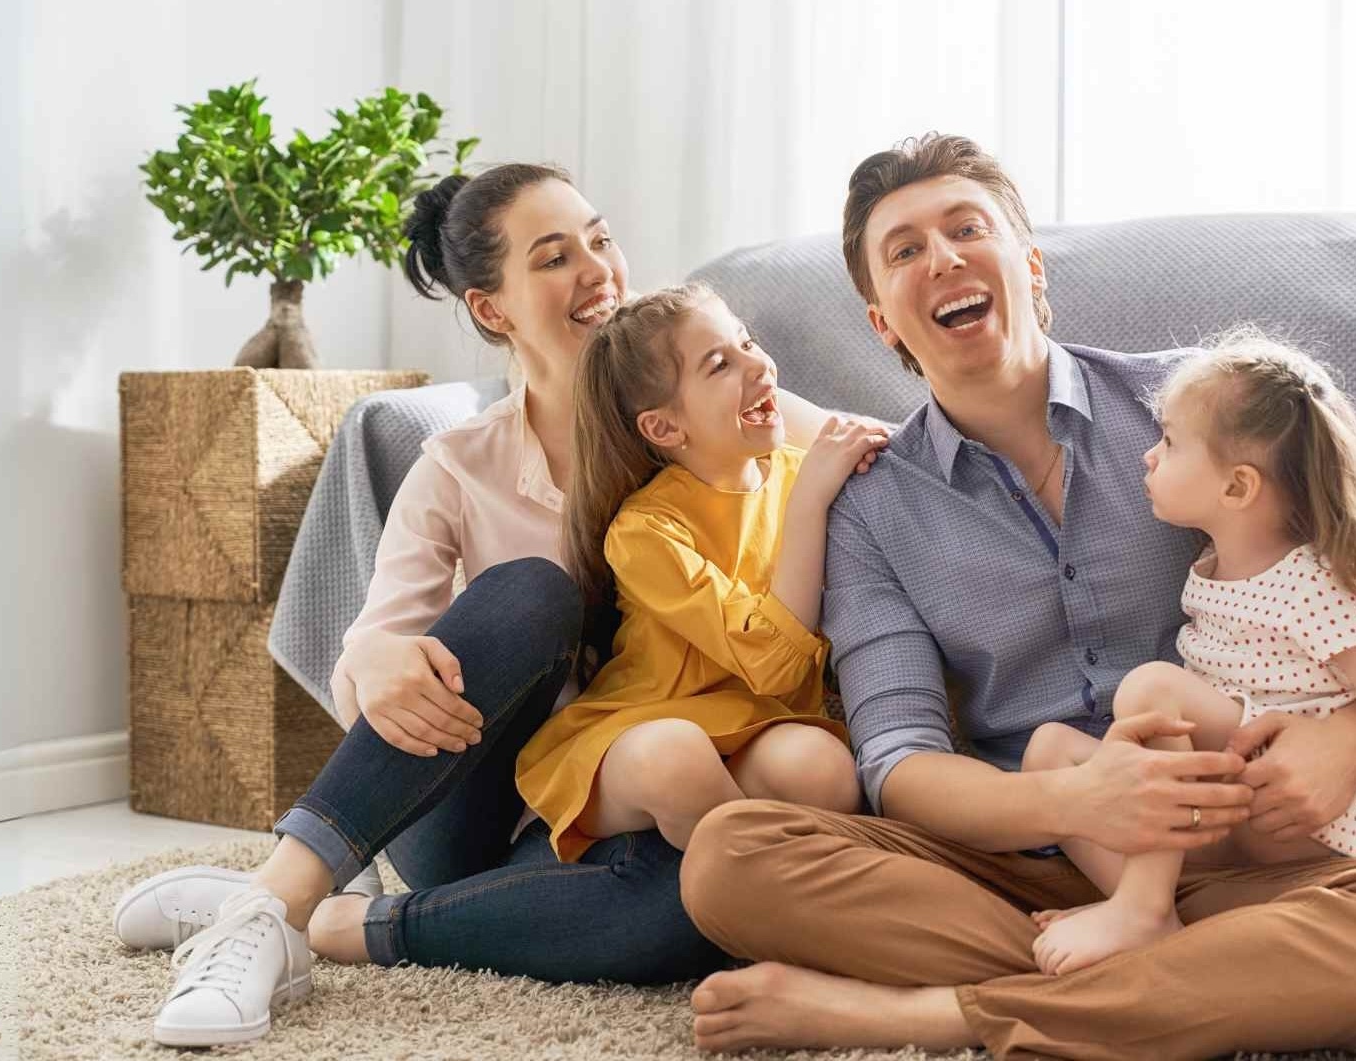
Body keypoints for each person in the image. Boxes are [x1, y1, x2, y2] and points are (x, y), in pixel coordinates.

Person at [109, 163, 870, 1048]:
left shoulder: (712, 412)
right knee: (530, 594)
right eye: (553, 258)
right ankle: (271, 906)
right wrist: (378, 658)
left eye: (599, 238)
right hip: (477, 810)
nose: (596, 270)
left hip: (638, 805)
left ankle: (338, 920)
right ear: (492, 309)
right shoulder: (459, 465)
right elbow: (370, 673)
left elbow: (852, 452)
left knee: (694, 913)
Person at [676, 133, 1356, 1060]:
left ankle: (946, 1013)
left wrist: (1343, 737)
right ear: (882, 321)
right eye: (905, 250)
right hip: (1022, 866)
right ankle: (1188, 980)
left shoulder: (1197, 403)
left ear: (1029, 268)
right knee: (729, 858)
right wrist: (1078, 804)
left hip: (1272, 846)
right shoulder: (872, 508)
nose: (943, 257)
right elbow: (900, 763)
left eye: (966, 228)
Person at [1021, 329, 1356, 975]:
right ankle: (1151, 913)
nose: (1148, 457)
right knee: (1050, 756)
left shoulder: (1311, 580)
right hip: (1232, 807)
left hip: (1310, 814)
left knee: (1153, 689)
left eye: (1170, 442)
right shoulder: (1211, 566)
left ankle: (1142, 908)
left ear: (1236, 489)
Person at [515, 283, 871, 863]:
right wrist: (811, 502)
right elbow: (774, 663)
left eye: (748, 342)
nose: (759, 364)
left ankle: (725, 871)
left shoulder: (802, 474)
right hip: (640, 732)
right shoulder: (642, 532)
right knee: (678, 759)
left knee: (824, 770)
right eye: (719, 364)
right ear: (664, 428)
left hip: (755, 725)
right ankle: (750, 899)